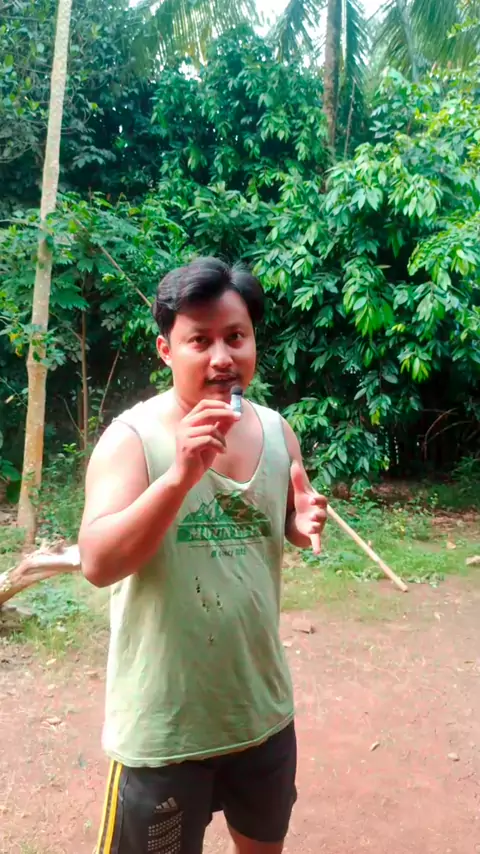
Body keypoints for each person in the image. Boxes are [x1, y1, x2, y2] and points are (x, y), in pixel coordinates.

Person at [79, 256, 327, 854]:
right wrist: (179, 476)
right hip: (164, 729)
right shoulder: (132, 439)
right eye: (200, 341)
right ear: (166, 351)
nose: (222, 357)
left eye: (236, 337)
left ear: (254, 342)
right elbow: (98, 563)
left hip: (260, 713)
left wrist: (300, 525)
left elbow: (286, 523)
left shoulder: (277, 431)